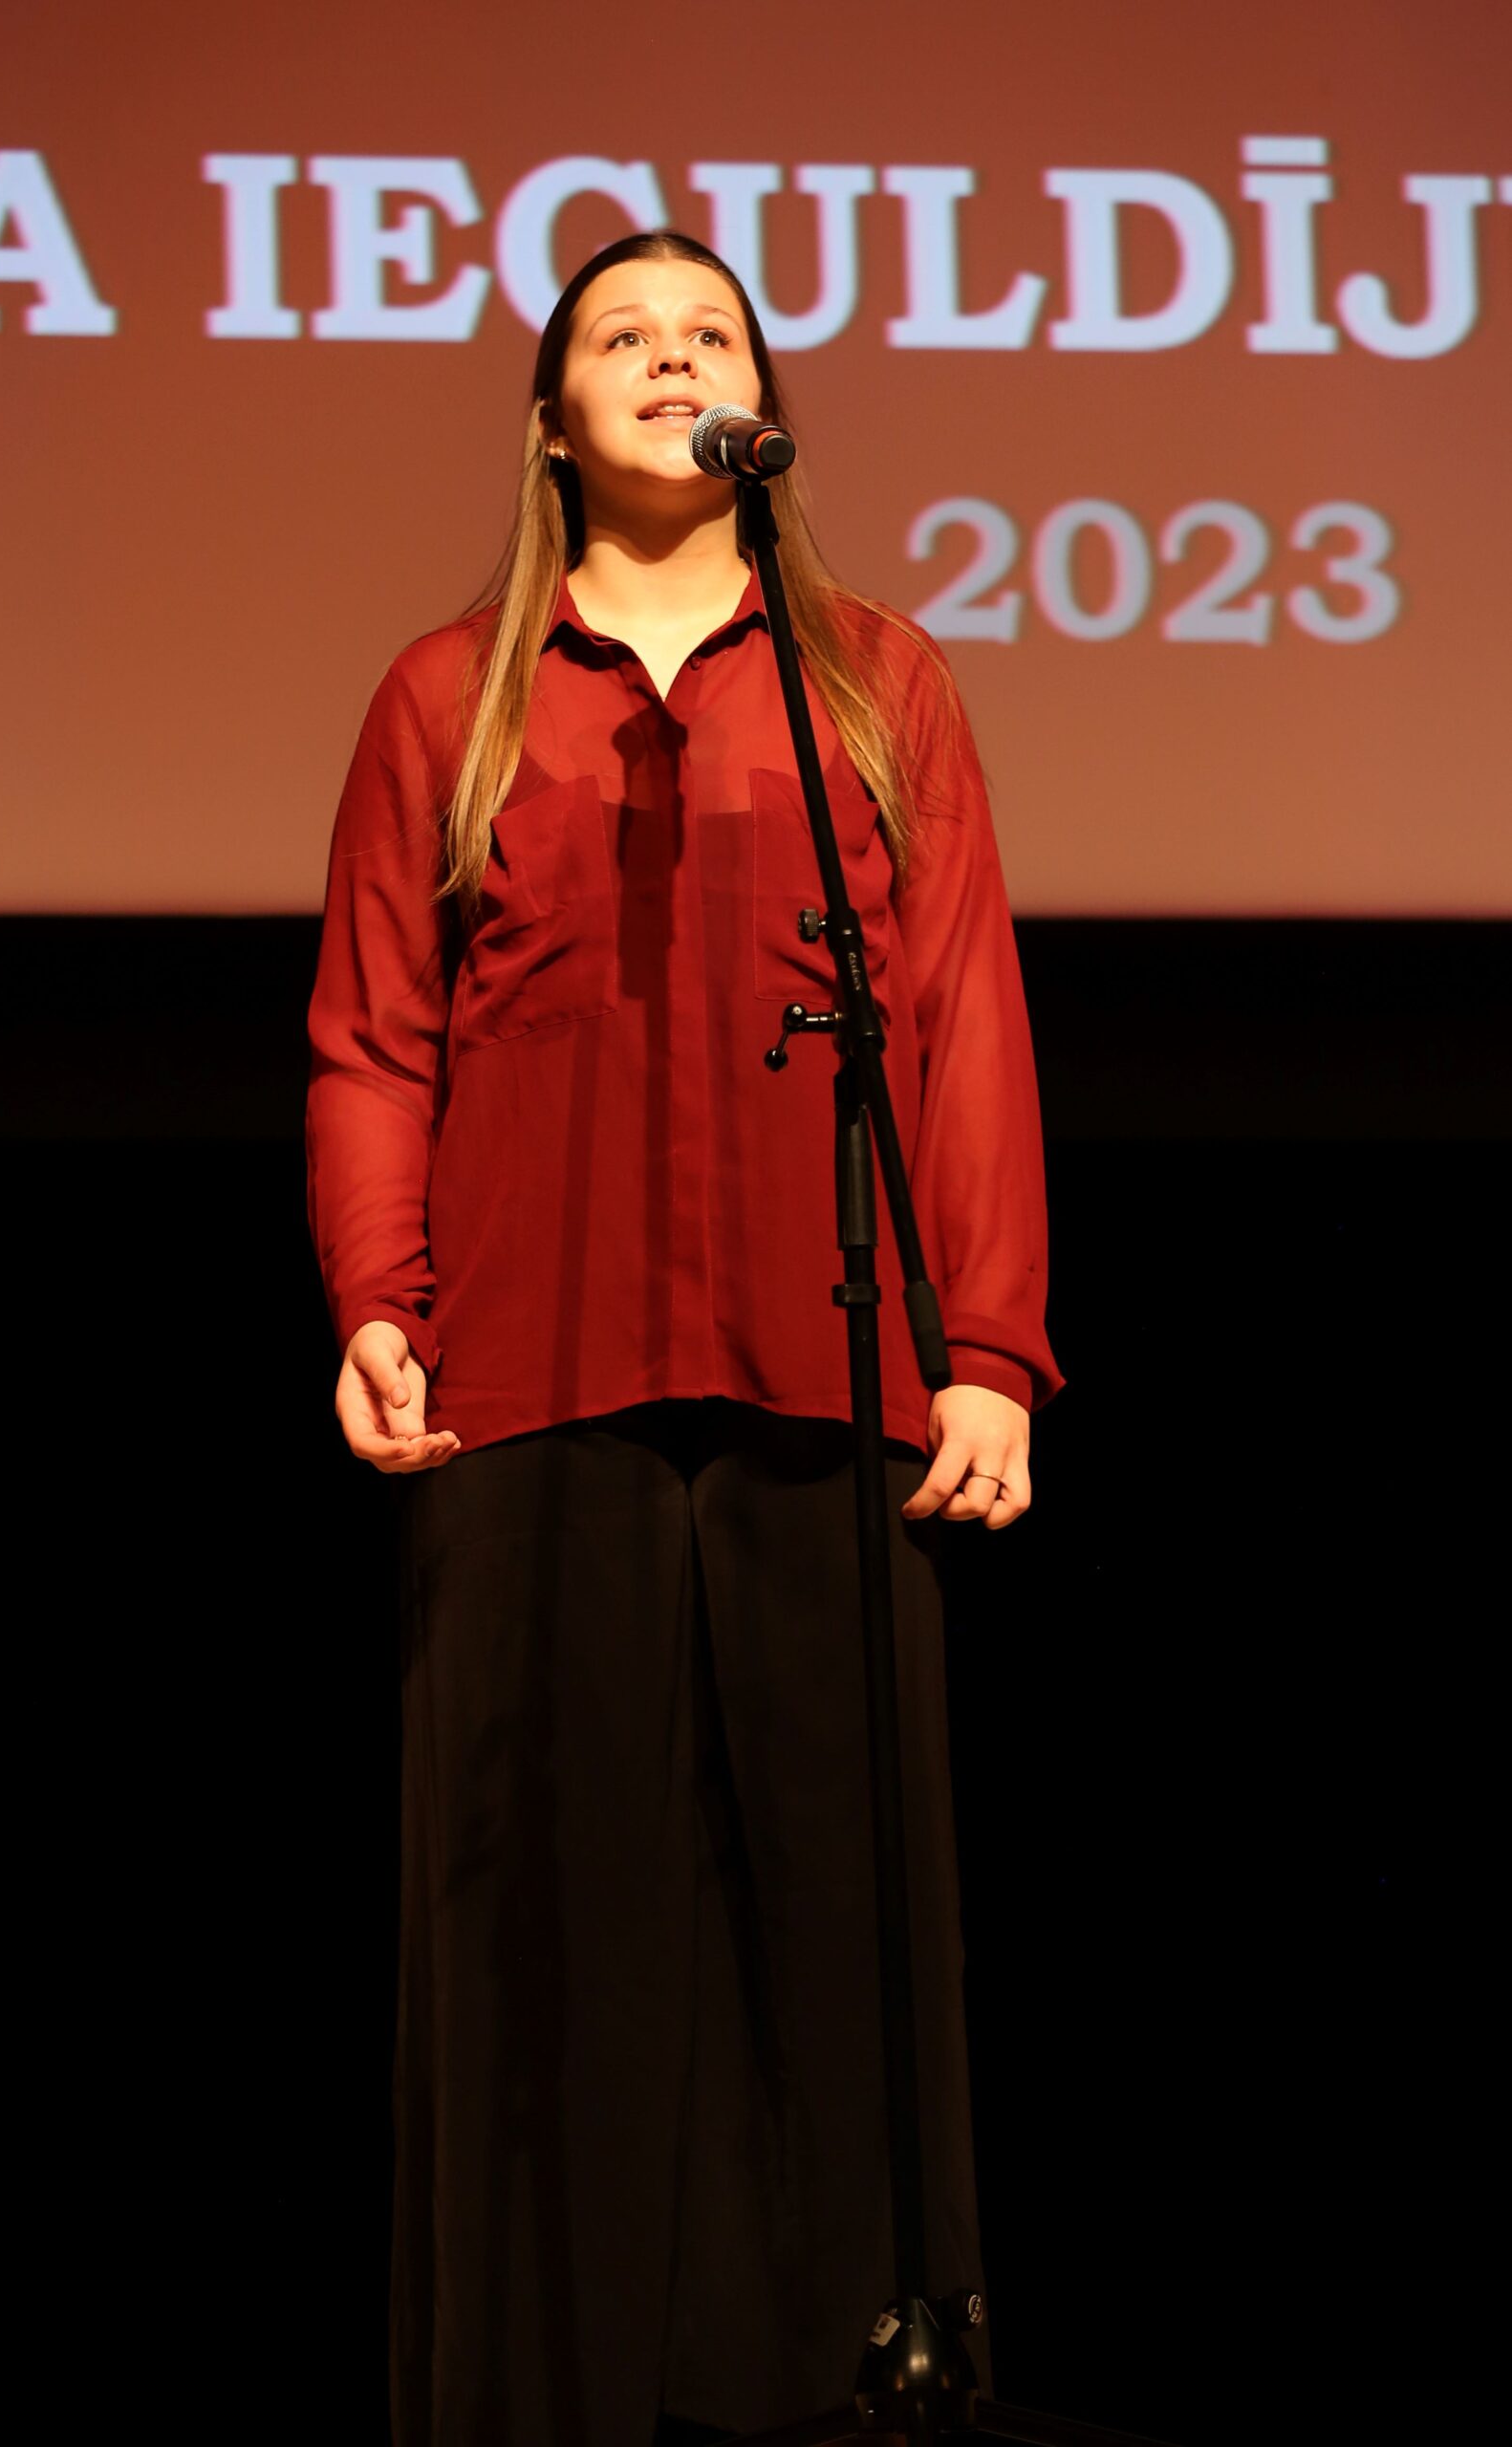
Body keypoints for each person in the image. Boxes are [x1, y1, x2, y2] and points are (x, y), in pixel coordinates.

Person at [306, 228, 1064, 2447]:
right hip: (526, 1383)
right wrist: (376, 1295)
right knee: (546, 1941)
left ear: (756, 405)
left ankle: (840, 2393)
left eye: (704, 333)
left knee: (833, 1935)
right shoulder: (448, 694)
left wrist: (990, 1349)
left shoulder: (866, 683)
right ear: (550, 419)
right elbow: (374, 1033)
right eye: (619, 339)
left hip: (823, 1382)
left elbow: (957, 1025)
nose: (667, 357)